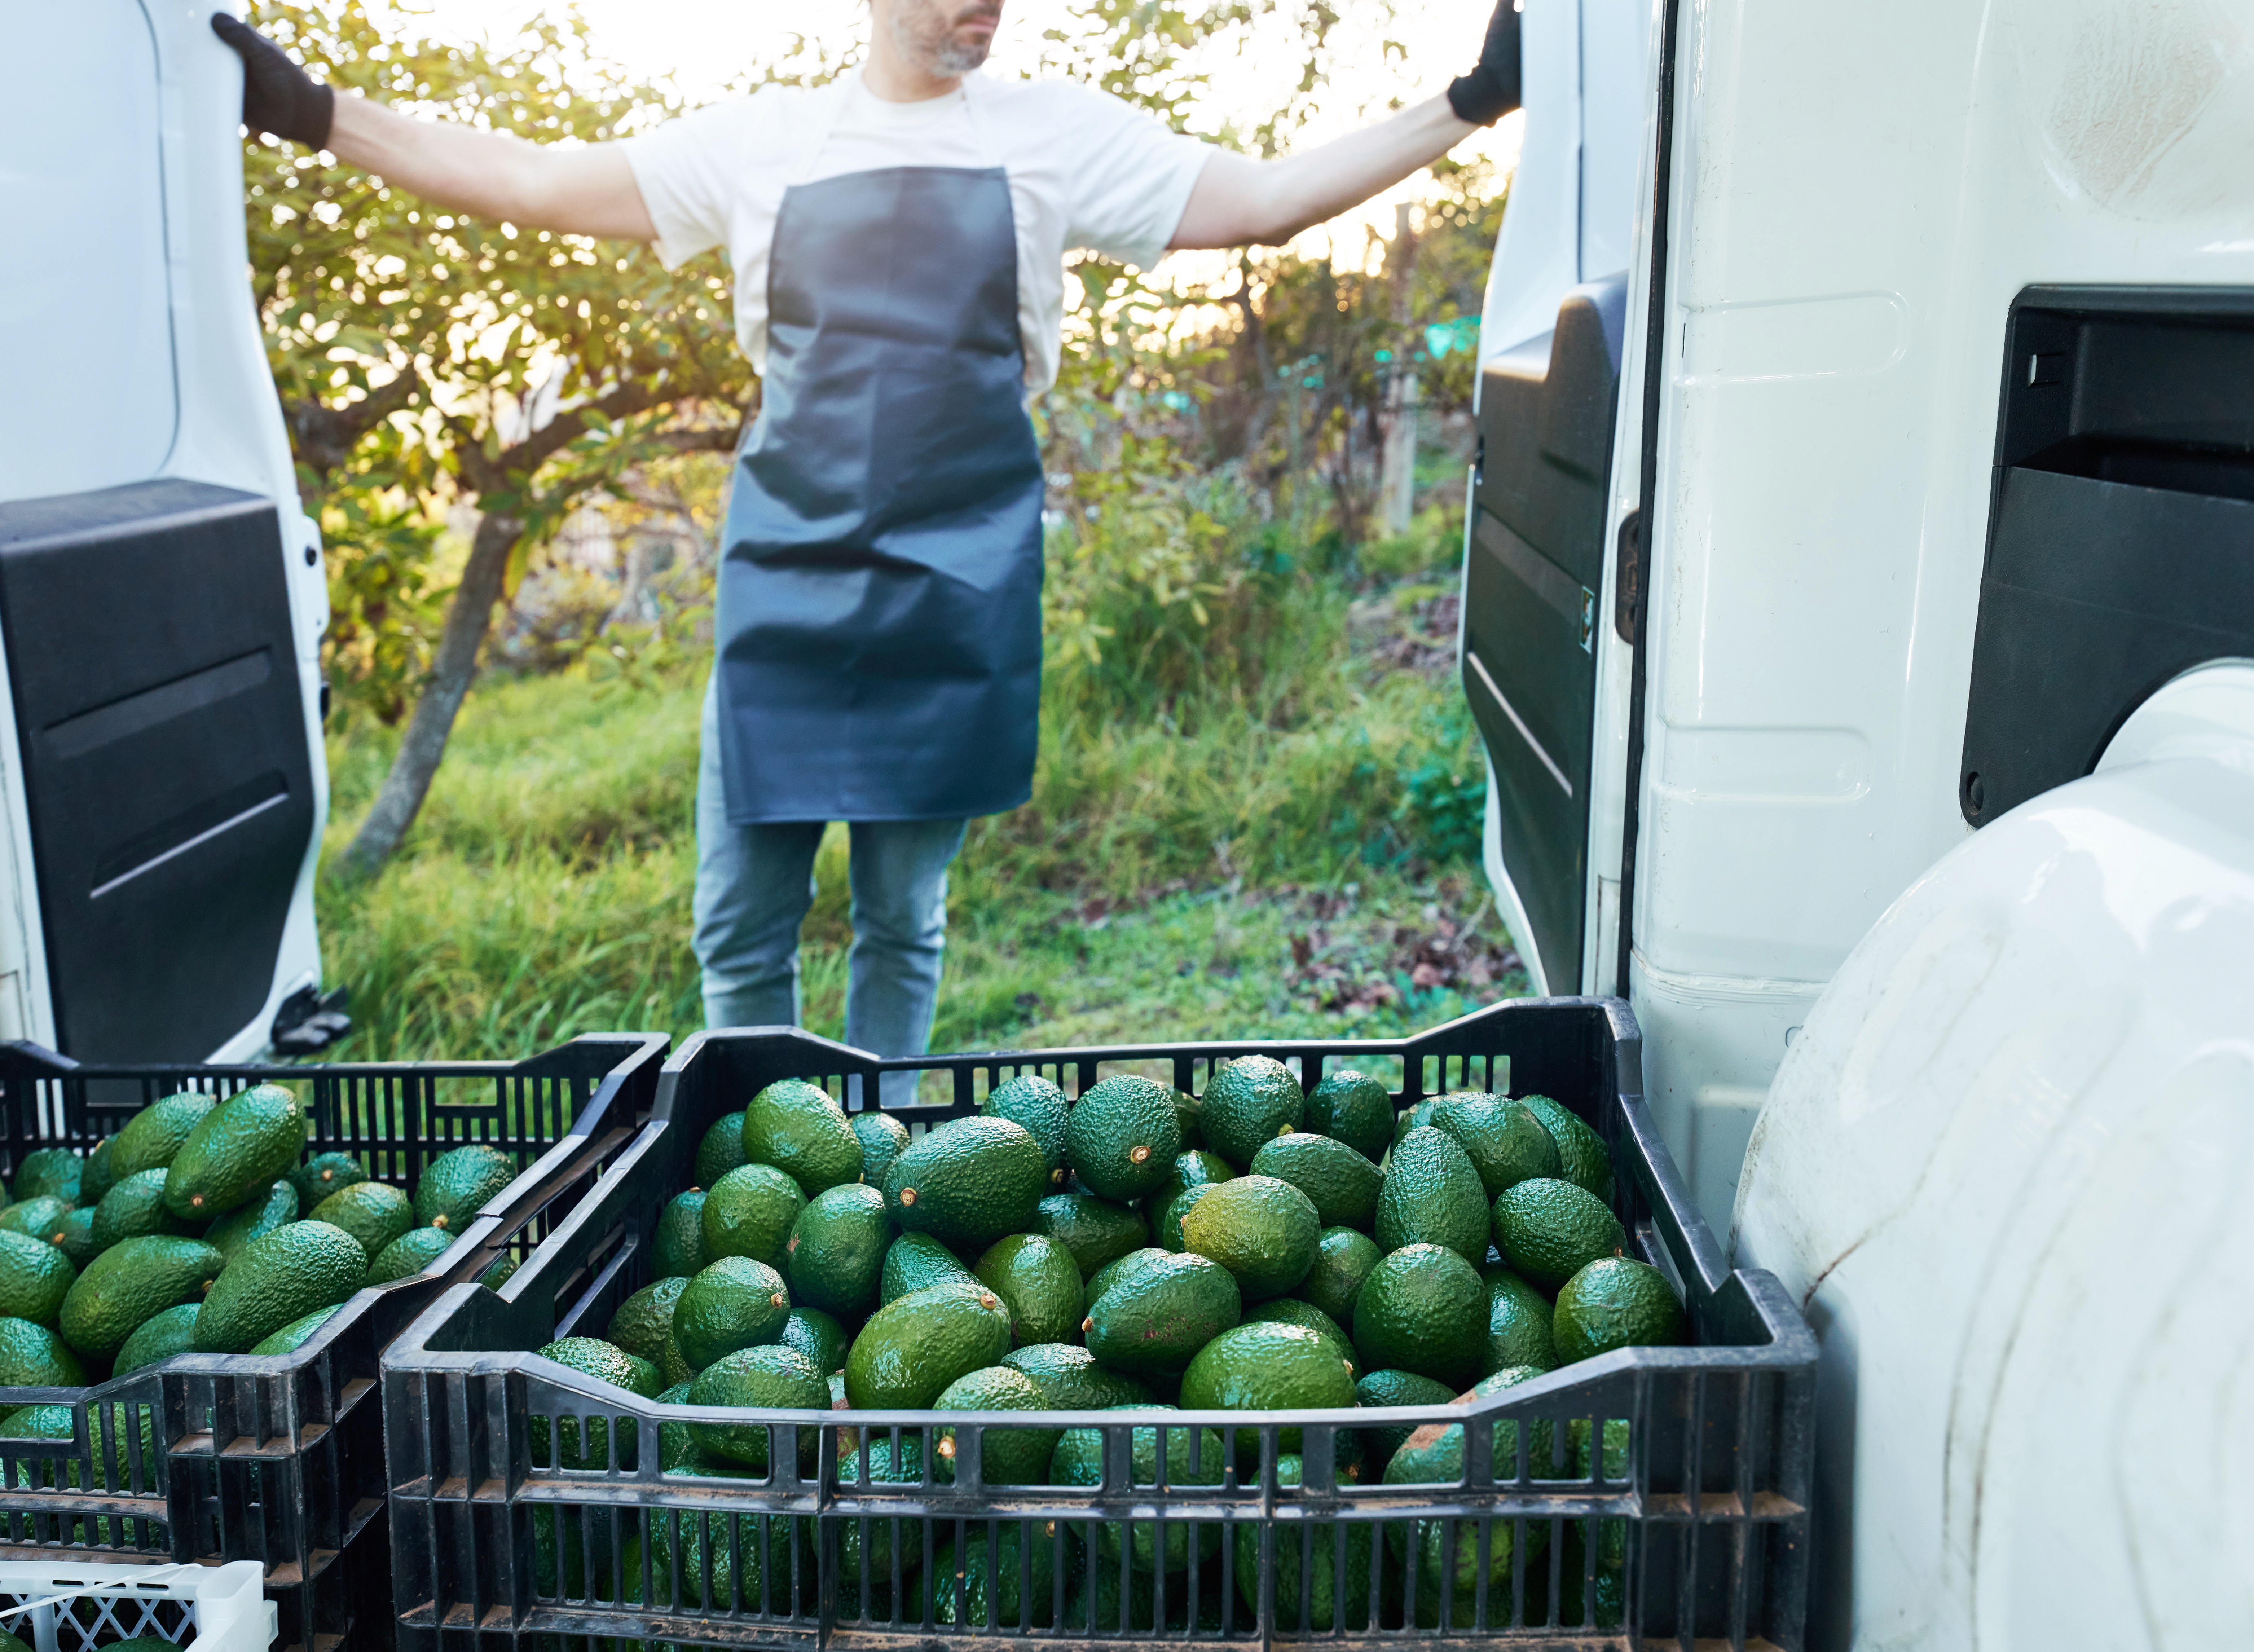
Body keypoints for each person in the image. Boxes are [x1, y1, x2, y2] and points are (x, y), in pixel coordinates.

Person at [213, 0, 1520, 1100]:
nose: (988, 2)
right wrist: (321, 114)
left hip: (959, 588)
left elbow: (1271, 204)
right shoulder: (763, 142)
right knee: (739, 921)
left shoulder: (1051, 136)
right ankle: (764, 1152)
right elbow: (532, 180)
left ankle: (877, 1159)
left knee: (903, 917)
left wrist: (1463, 101)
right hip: (787, 577)